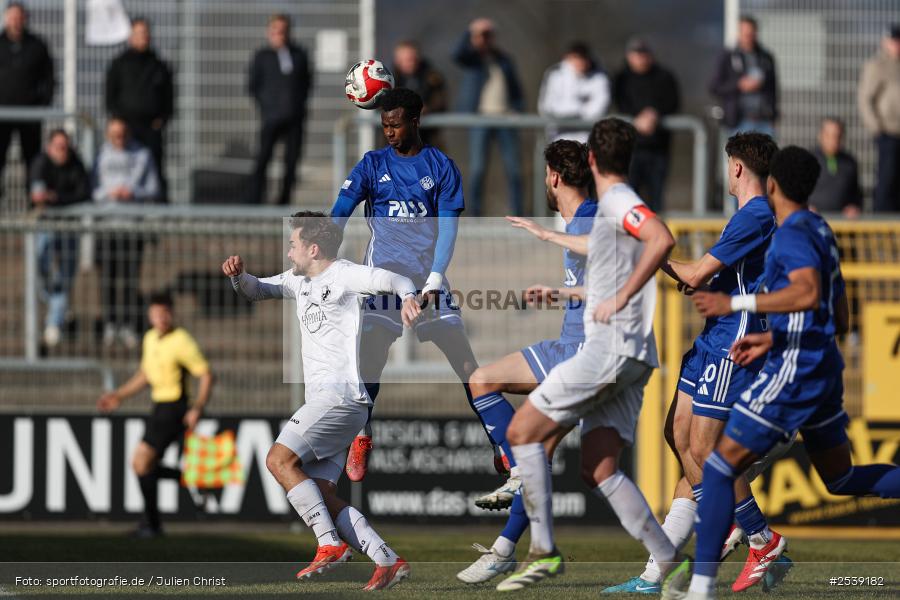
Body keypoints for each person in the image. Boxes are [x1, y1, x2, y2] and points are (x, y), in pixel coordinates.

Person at [664, 147, 900, 600]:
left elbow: (808, 293)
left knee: (715, 465)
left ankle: (712, 579)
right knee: (841, 479)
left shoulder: (790, 234)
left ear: (772, 185)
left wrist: (738, 304)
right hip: (823, 364)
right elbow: (839, 313)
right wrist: (771, 338)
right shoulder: (820, 230)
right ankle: (742, 552)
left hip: (797, 372)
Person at [496, 118, 679, 591]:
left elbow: (660, 238)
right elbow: (610, 266)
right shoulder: (609, 213)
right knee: (598, 467)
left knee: (521, 431)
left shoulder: (617, 200)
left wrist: (619, 299)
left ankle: (543, 550)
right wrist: (564, 290)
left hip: (611, 348)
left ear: (593, 161)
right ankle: (668, 561)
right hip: (637, 355)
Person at [605, 132, 787, 595]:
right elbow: (708, 279)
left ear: (739, 168)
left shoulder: (757, 214)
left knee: (706, 451)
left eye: (729, 165)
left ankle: (761, 540)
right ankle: (662, 567)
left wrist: (654, 248)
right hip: (712, 339)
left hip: (734, 341)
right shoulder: (746, 217)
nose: (727, 172)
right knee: (678, 435)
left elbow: (693, 273)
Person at [223, 212, 415, 590]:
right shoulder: (298, 280)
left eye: (293, 244)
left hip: (339, 398)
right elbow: (257, 289)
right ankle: (386, 559)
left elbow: (395, 279)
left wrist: (408, 296)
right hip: (339, 406)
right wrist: (237, 276)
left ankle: (329, 543)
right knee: (322, 494)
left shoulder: (344, 274)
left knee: (278, 460)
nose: (288, 250)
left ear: (313, 248)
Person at [330, 88, 508, 482]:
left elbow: (447, 231)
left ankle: (500, 444)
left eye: (395, 125)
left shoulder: (441, 167)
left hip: (428, 279)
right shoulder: (372, 164)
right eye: (384, 125)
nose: (389, 132)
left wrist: (432, 282)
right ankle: (361, 432)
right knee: (370, 354)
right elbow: (340, 211)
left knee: (464, 361)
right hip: (383, 278)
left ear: (416, 120)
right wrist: (325, 245)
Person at [455, 140, 596, 584]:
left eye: (545, 174)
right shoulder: (579, 216)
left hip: (580, 353)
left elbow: (606, 247)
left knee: (482, 380)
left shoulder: (591, 216)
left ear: (553, 176)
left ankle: (513, 471)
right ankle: (503, 551)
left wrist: (545, 234)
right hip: (572, 349)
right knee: (542, 454)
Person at [97, 292, 214, 538]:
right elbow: (145, 375)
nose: (161, 317)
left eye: (165, 312)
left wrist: (197, 407)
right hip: (159, 407)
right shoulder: (150, 339)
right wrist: (118, 395)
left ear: (172, 313)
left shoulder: (182, 340)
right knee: (144, 465)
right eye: (156, 313)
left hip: (175, 408)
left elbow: (205, 374)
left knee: (141, 462)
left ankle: (152, 524)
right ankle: (178, 493)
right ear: (150, 315)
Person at [93, 118, 161, 349]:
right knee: (108, 278)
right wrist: (109, 194)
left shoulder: (142, 155)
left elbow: (153, 188)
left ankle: (129, 324)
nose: (118, 139)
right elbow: (92, 189)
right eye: (114, 135)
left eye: (122, 134)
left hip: (132, 227)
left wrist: (132, 191)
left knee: (130, 278)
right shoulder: (100, 156)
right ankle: (111, 324)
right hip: (107, 226)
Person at [453, 18, 525, 216]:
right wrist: (470, 32)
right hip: (479, 119)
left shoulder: (504, 59)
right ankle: (476, 215)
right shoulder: (472, 59)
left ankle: (518, 214)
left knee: (514, 170)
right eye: (481, 35)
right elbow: (457, 54)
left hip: (505, 118)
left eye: (488, 35)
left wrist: (518, 109)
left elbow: (516, 89)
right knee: (477, 170)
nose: (485, 39)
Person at [29, 129, 89, 347]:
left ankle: (54, 321)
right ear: (49, 147)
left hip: (69, 227)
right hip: (45, 225)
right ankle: (59, 306)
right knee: (40, 266)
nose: (62, 151)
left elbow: (83, 194)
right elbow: (38, 196)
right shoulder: (41, 163)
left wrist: (57, 198)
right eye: (58, 146)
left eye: (65, 147)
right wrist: (58, 200)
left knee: (64, 275)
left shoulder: (76, 164)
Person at [105, 18, 174, 203]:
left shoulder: (158, 65)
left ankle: (158, 209)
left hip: (151, 127)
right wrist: (118, 121)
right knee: (127, 168)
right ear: (131, 36)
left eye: (145, 33)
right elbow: (110, 95)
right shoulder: (120, 64)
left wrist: (162, 119)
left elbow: (169, 96)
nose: (142, 37)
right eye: (138, 33)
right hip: (127, 127)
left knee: (155, 167)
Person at [247, 13, 312, 205]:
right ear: (269, 32)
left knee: (291, 164)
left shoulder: (299, 55)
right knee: (262, 160)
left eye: (283, 30)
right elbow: (253, 86)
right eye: (276, 30)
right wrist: (267, 106)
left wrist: (297, 104)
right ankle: (255, 202)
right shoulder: (262, 57)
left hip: (294, 118)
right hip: (271, 118)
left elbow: (307, 82)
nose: (280, 35)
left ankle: (283, 203)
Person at [614, 37, 680, 212]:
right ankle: (629, 238)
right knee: (628, 196)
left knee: (656, 198)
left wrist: (654, 114)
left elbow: (673, 102)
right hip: (629, 148)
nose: (641, 58)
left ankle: (654, 237)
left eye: (644, 54)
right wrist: (637, 118)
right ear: (629, 56)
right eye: (636, 54)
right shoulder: (621, 78)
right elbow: (618, 103)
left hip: (658, 147)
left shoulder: (664, 76)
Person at [0, 2, 54, 194]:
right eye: (12, 17)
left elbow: (49, 78)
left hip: (29, 115)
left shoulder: (37, 46)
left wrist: (42, 105)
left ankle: (34, 204)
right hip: (2, 114)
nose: (15, 21)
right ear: (6, 18)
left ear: (25, 19)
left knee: (32, 159)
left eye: (19, 17)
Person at [709, 15, 778, 137]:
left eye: (751, 33)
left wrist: (773, 116)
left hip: (764, 122)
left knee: (767, 155)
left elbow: (773, 88)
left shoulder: (766, 58)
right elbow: (714, 87)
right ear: (739, 33)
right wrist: (739, 85)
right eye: (745, 33)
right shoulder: (727, 57)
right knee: (737, 156)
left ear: (756, 33)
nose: (748, 36)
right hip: (738, 122)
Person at [859, 24, 900, 213]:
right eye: (894, 41)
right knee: (886, 180)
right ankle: (881, 219)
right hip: (887, 132)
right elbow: (865, 99)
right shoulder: (877, 66)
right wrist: (876, 128)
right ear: (886, 42)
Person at [537, 42, 610, 143]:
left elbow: (600, 106)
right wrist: (574, 111)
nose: (579, 62)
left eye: (582, 58)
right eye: (576, 58)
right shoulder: (555, 75)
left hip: (587, 137)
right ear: (568, 57)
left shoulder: (599, 77)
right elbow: (547, 106)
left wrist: (576, 114)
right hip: (559, 136)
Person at [392, 40, 447, 147]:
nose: (411, 62)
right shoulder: (390, 81)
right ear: (398, 61)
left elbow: (441, 101)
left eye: (413, 59)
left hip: (428, 138)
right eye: (406, 60)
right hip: (398, 140)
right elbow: (382, 106)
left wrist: (426, 109)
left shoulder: (432, 78)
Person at [809, 117, 862, 217]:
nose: (833, 140)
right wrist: (805, 207)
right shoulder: (808, 159)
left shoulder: (849, 162)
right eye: (829, 135)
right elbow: (797, 193)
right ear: (820, 136)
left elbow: (856, 195)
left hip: (842, 224)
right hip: (812, 222)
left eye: (837, 136)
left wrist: (854, 207)